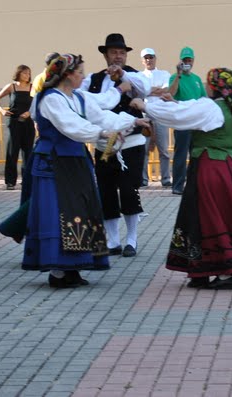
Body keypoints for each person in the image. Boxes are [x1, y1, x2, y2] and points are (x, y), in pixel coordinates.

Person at [22, 54, 147, 288]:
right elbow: (71, 125)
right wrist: (100, 134)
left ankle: (74, 266)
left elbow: (102, 113)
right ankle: (57, 271)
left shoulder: (78, 97)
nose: (83, 76)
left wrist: (131, 122)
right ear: (67, 75)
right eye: (79, 72)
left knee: (78, 210)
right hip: (54, 164)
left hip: (75, 161)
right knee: (59, 212)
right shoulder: (50, 99)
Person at [143, 68, 232, 290]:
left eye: (208, 83)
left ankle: (224, 273)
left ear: (214, 86)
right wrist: (172, 102)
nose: (205, 86)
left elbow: (180, 117)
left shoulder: (211, 107)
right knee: (212, 216)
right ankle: (201, 270)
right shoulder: (230, 107)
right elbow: (188, 111)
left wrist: (146, 105)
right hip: (229, 168)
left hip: (210, 168)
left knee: (209, 217)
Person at [82, 33, 152, 257]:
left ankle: (131, 239)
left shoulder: (134, 76)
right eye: (114, 52)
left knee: (129, 190)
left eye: (122, 52)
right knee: (106, 191)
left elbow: (145, 88)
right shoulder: (93, 79)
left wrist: (123, 76)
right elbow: (85, 100)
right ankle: (113, 240)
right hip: (104, 145)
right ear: (105, 55)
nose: (118, 56)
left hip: (131, 143)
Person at [168, 46, 205, 195]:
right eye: (185, 60)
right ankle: (177, 186)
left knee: (196, 155)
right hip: (182, 122)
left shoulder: (196, 79)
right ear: (180, 61)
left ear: (193, 60)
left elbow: (203, 98)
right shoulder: (174, 77)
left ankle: (193, 184)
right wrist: (178, 75)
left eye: (189, 59)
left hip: (196, 122)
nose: (187, 62)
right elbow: (171, 93)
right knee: (181, 154)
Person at [0, 65, 35, 191]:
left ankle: (27, 179)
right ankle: (10, 181)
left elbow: (38, 102)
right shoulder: (12, 86)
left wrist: (30, 112)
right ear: (19, 74)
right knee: (13, 151)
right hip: (14, 121)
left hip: (28, 122)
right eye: (24, 73)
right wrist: (1, 111)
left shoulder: (33, 88)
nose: (27, 76)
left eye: (28, 73)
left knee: (28, 151)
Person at [140, 48, 172, 187]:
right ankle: (143, 179)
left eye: (151, 57)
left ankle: (165, 179)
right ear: (142, 60)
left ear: (155, 58)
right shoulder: (139, 76)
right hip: (145, 116)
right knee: (144, 150)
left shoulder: (164, 74)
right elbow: (140, 92)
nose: (148, 60)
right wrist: (155, 90)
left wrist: (148, 90)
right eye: (146, 58)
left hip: (161, 115)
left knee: (163, 150)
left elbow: (166, 91)